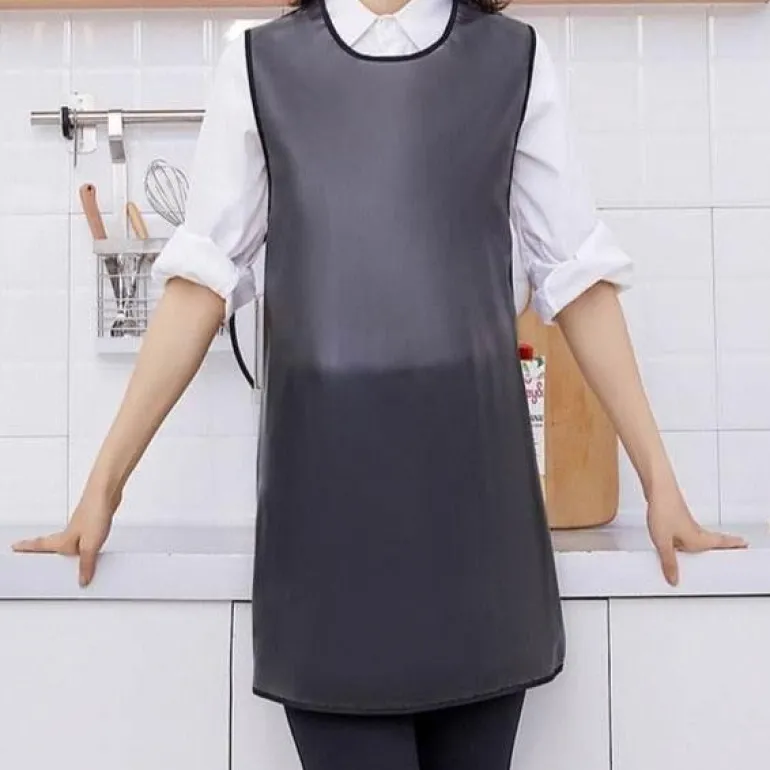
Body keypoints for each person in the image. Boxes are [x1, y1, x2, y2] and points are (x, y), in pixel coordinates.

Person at [13, 0, 748, 768]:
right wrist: (103, 487)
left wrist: (661, 485)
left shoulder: (514, 61)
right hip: (325, 543)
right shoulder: (261, 66)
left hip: (481, 541)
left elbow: (579, 277)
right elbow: (199, 286)